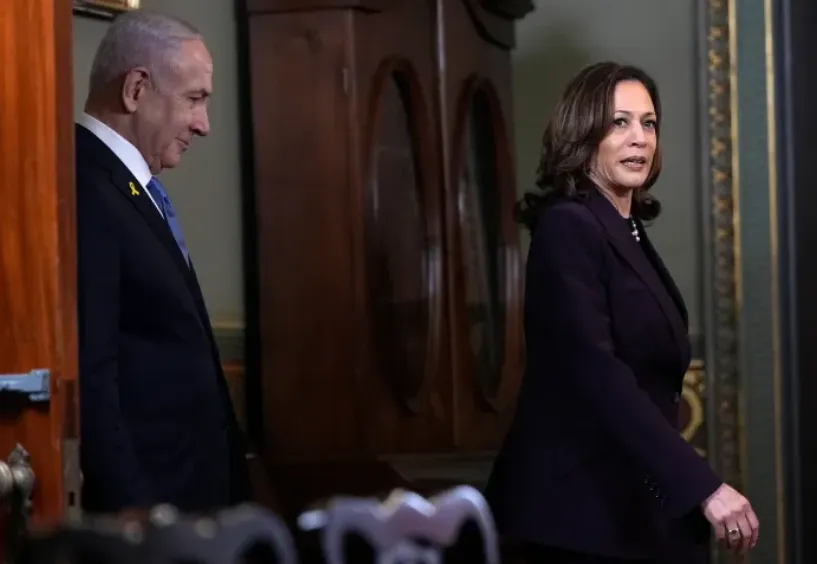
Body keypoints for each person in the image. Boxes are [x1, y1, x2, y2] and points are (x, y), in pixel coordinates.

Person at [484, 62, 759, 563]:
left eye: (648, 123)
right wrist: (704, 487)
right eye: (619, 122)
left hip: (628, 508)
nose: (639, 138)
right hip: (574, 519)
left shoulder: (625, 229)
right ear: (583, 134)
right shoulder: (569, 228)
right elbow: (598, 374)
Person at [75, 10, 251, 513]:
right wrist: (140, 523)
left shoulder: (126, 186)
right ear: (135, 89)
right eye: (195, 99)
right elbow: (93, 379)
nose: (204, 124)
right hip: (152, 519)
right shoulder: (86, 186)